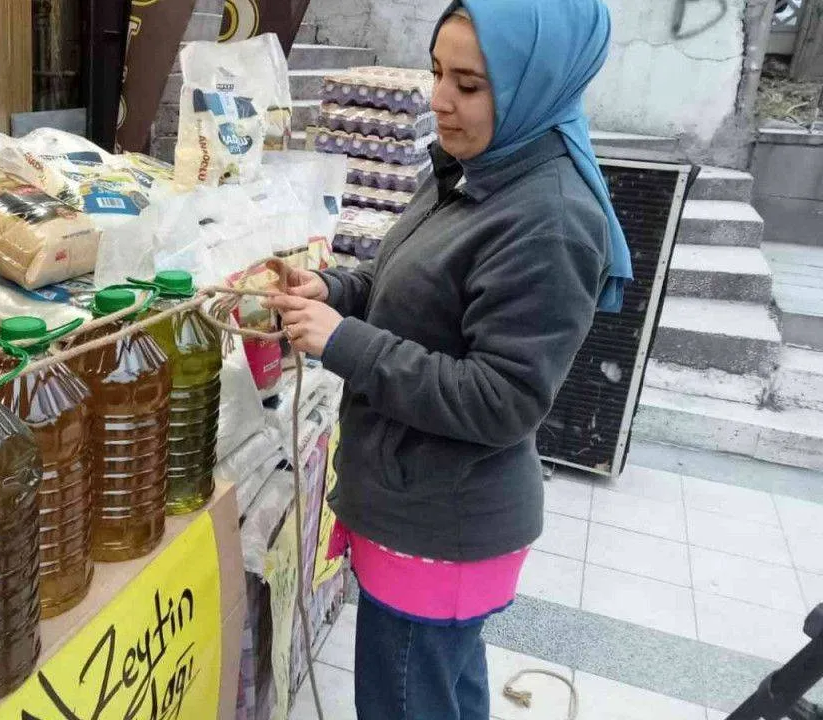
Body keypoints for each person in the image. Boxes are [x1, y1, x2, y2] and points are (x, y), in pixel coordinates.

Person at [265, 1, 630, 718]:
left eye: (468, 84)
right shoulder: (472, 168)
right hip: (415, 499)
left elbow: (501, 399)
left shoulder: (549, 219)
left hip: (445, 524)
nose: (439, 100)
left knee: (406, 697)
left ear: (536, 82)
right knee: (443, 690)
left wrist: (343, 341)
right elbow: (404, 288)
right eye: (436, 72)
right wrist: (332, 290)